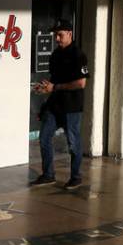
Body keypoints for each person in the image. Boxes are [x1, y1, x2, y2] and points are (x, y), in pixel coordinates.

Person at [31, 20, 88, 188]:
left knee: (73, 143)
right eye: (55, 34)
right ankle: (48, 174)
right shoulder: (55, 55)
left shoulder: (78, 55)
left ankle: (76, 177)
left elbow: (81, 83)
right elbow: (54, 80)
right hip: (54, 105)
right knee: (44, 138)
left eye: (60, 34)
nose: (57, 38)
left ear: (70, 34)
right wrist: (44, 87)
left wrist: (54, 87)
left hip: (71, 107)